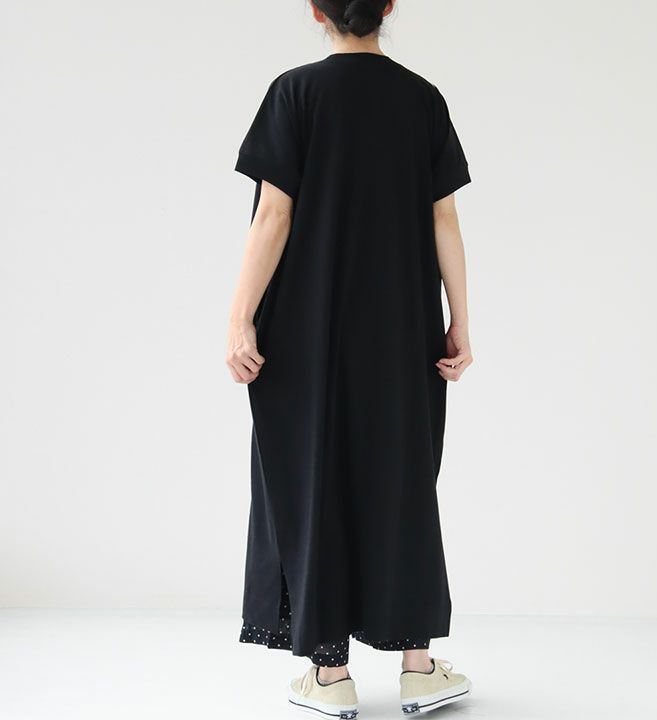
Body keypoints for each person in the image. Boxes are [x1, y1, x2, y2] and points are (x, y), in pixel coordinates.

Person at [226, 1, 473, 716]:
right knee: (402, 478)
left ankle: (330, 676)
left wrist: (240, 318)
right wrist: (460, 320)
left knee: (314, 478)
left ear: (316, 11)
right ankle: (419, 668)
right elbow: (444, 216)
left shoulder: (295, 93)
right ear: (389, 6)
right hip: (401, 331)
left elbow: (274, 214)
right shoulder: (422, 99)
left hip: (306, 334)